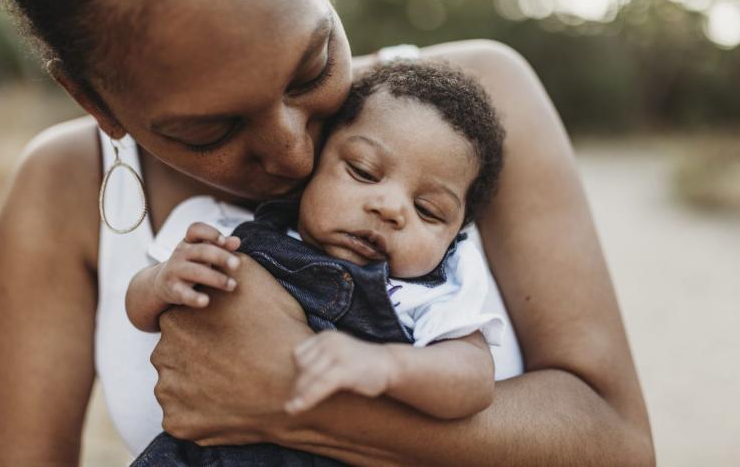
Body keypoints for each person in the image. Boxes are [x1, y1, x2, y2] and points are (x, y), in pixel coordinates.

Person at [0, 0, 654, 465]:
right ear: (94, 101)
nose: (294, 153)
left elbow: (617, 446)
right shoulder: (62, 190)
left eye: (313, 67)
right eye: (213, 129)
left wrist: (285, 401)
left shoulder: (473, 111)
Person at [126, 61, 506, 465]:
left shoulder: (426, 295)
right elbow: (141, 310)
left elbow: (473, 379)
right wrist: (163, 281)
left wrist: (391, 366)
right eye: (363, 172)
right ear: (315, 163)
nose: (390, 208)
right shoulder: (233, 234)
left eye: (428, 211)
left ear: (456, 236)